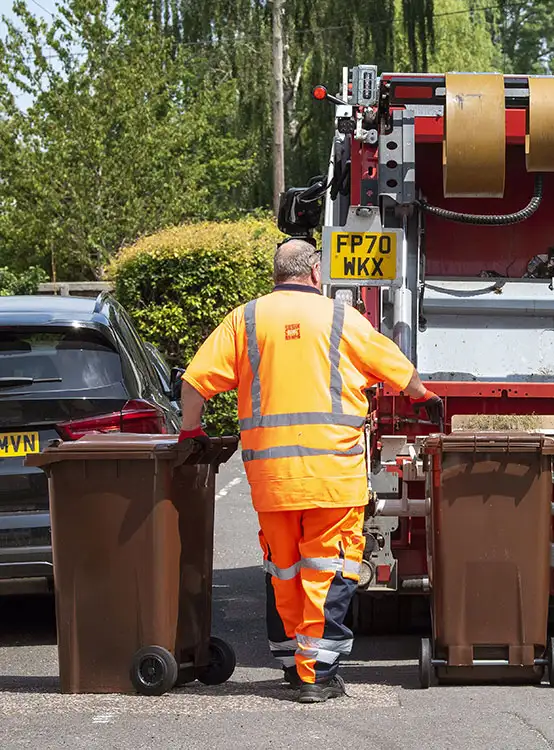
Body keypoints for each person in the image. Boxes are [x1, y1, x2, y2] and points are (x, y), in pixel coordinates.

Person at [177, 238, 443, 703]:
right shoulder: (341, 318)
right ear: (316, 273)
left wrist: (191, 431)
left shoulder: (247, 319)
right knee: (327, 568)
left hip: (270, 480)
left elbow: (195, 382)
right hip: (331, 476)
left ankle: (290, 663)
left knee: (285, 569)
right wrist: (429, 397)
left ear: (276, 275)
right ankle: (315, 674)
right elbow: (401, 374)